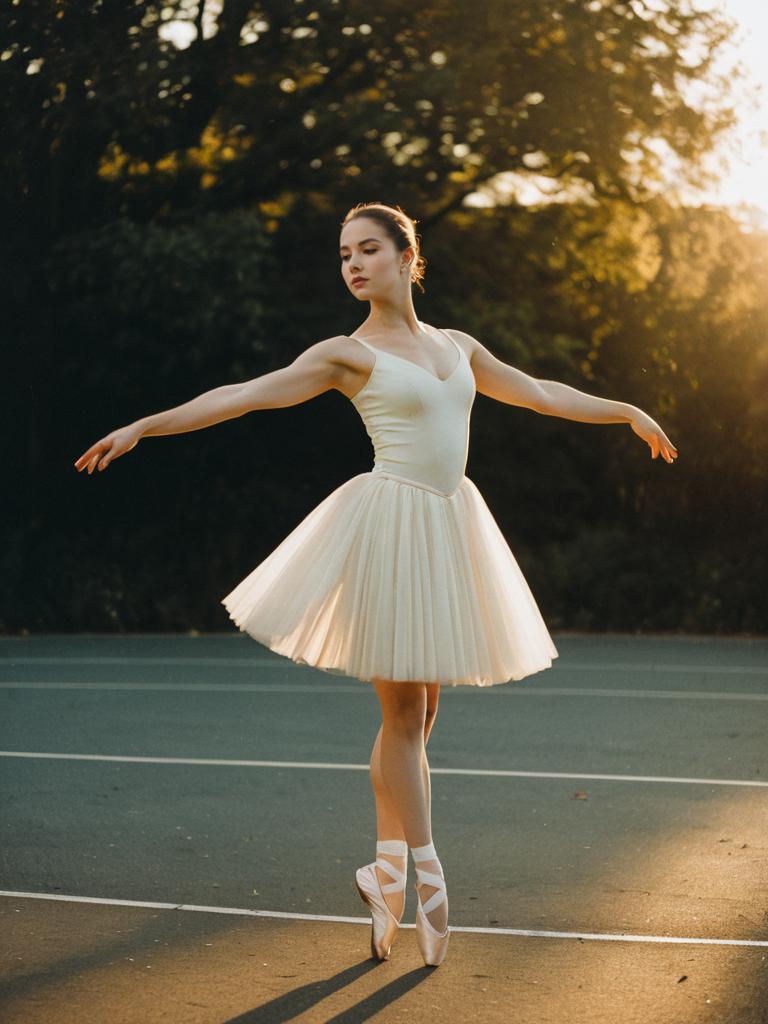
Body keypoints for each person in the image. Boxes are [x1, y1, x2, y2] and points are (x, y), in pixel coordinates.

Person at [74, 201, 678, 967]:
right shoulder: (345, 354)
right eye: (344, 255)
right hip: (390, 527)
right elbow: (243, 394)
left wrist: (627, 411)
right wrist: (144, 426)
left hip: (450, 527)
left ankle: (383, 867)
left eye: (367, 250)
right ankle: (426, 872)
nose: (353, 264)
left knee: (422, 715)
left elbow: (541, 392)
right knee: (400, 714)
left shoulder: (458, 346)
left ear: (406, 256)